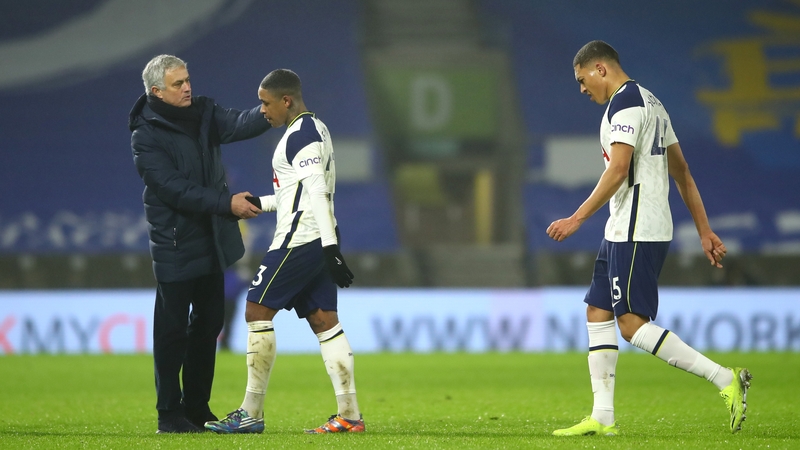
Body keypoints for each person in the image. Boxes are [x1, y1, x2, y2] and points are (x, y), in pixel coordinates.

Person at [546, 41, 752, 436]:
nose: (582, 88)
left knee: (630, 324)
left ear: (601, 68)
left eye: (582, 79)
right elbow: (683, 171)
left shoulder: (625, 106)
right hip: (623, 227)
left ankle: (724, 378)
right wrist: (704, 230)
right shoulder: (653, 103)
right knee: (597, 311)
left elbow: (619, 168)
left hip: (637, 229)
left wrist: (576, 218)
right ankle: (602, 417)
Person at [204, 69, 362, 435]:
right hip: (315, 235)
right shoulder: (315, 128)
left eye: (265, 102)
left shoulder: (302, 134)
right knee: (324, 321)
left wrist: (330, 247)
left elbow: (319, 192)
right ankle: (350, 415)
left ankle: (251, 412)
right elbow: (299, 195)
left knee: (256, 309)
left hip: (300, 239)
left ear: (286, 100)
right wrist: (259, 201)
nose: (262, 111)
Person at [129, 54, 270, 434]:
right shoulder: (145, 134)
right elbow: (173, 189)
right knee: (172, 331)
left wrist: (273, 108)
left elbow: (241, 122)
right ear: (157, 91)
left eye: (187, 79)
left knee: (208, 325)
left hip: (211, 240)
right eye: (178, 83)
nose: (187, 87)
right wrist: (227, 204)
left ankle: (197, 408)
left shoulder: (204, 112)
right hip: (175, 243)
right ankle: (168, 415)